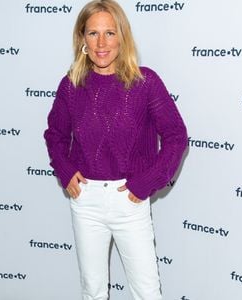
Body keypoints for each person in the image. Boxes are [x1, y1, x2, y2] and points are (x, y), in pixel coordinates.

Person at [44, 0, 187, 299]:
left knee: (147, 292)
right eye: (93, 33)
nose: (101, 43)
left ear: (122, 36)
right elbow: (55, 134)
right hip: (87, 202)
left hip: (129, 201)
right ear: (82, 38)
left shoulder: (145, 81)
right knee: (93, 291)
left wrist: (147, 182)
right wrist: (66, 171)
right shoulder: (71, 85)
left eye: (110, 33)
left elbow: (176, 135)